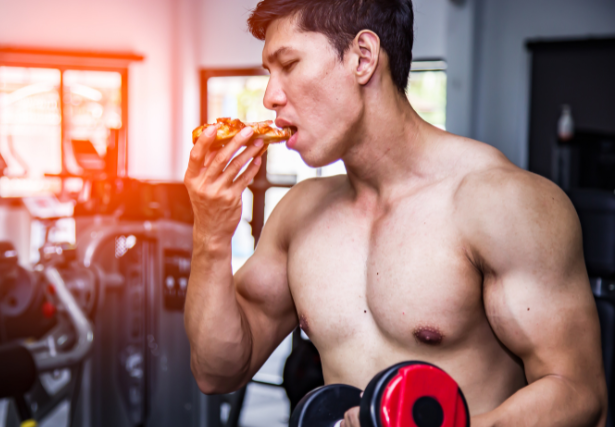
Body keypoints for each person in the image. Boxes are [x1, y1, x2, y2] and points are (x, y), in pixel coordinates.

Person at [182, 0, 607, 425]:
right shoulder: (299, 214)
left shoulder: (499, 202)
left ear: (363, 58)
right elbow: (217, 371)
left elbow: (579, 395)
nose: (270, 97)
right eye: (268, 74)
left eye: (289, 65)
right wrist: (211, 233)